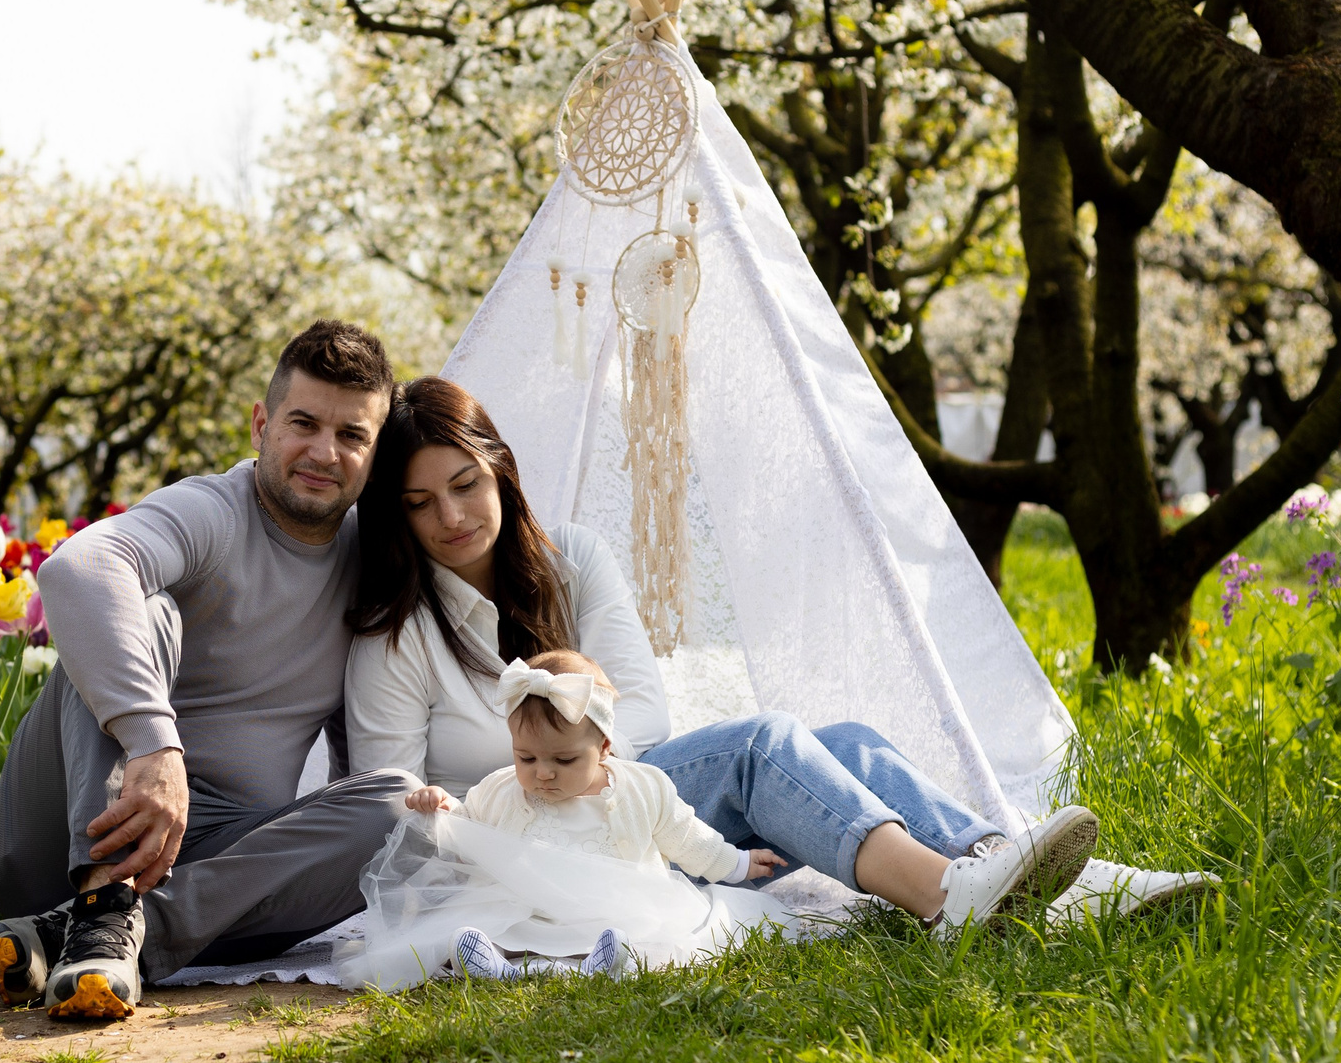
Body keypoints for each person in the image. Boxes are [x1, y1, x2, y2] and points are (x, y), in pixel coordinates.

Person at [345, 376, 1101, 937]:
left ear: (500, 470)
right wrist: (534, 776)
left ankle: (1021, 874)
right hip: (527, 849)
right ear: (398, 514)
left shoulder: (570, 558)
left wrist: (583, 760)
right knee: (759, 747)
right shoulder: (398, 632)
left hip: (624, 813)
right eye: (419, 502)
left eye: (465, 484)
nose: (450, 516)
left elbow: (644, 709)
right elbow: (390, 801)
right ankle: (948, 899)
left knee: (845, 746)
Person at [0, 321, 419, 1020]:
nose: (323, 452)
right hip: (65, 826)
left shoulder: (373, 565)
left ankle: (103, 930)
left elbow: (358, 757)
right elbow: (78, 567)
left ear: (374, 453)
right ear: (261, 424)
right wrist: (155, 741)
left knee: (399, 807)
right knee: (145, 612)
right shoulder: (213, 511)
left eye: (352, 436)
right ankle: (97, 895)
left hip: (216, 865)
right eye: (303, 423)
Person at [389, 649, 796, 981]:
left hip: (614, 910)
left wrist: (740, 863)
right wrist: (445, 806)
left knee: (634, 936)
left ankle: (594, 964)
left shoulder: (641, 788)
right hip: (529, 912)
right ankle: (498, 964)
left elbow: (687, 837)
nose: (542, 772)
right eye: (525, 756)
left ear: (603, 748)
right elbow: (471, 830)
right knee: (494, 930)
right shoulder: (501, 790)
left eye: (564, 759)